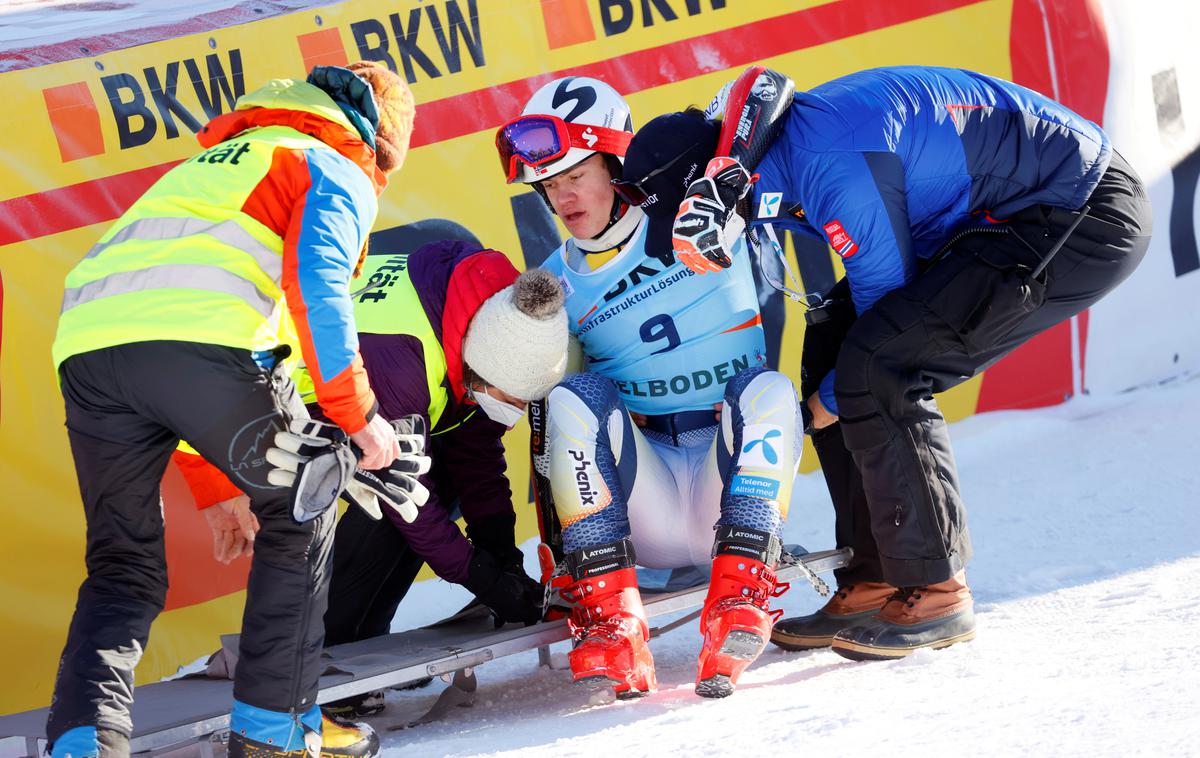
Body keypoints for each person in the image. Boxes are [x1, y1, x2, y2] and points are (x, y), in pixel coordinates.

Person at [669, 65, 1152, 660]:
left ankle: (937, 588)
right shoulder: (771, 155)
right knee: (831, 343)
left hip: (1080, 213)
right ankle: (875, 578)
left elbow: (887, 311)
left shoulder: (828, 164)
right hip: (997, 216)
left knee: (882, 363)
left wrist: (825, 406)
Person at [47, 61, 416, 758]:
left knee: (122, 564)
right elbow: (319, 288)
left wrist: (219, 486)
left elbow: (157, 325)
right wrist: (358, 417)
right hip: (205, 344)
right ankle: (277, 733)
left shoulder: (213, 163)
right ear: (377, 141)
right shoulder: (331, 162)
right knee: (303, 507)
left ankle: (80, 744)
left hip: (87, 348)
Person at [497, 78, 804, 699]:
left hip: (731, 480)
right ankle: (611, 621)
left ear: (616, 162)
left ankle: (741, 603)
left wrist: (727, 178)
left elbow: (765, 88)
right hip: (649, 501)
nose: (562, 196)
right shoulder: (553, 283)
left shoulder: (700, 211)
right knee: (566, 398)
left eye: (574, 175)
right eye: (549, 186)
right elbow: (545, 432)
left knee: (769, 388)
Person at [187, 240, 569, 719]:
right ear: (484, 367)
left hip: (352, 407)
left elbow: (477, 453)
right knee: (394, 497)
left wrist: (501, 555)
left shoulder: (490, 324)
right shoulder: (404, 362)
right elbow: (405, 502)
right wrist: (482, 579)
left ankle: (360, 641)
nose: (512, 412)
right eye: (509, 399)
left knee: (438, 465)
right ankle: (321, 655)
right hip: (263, 413)